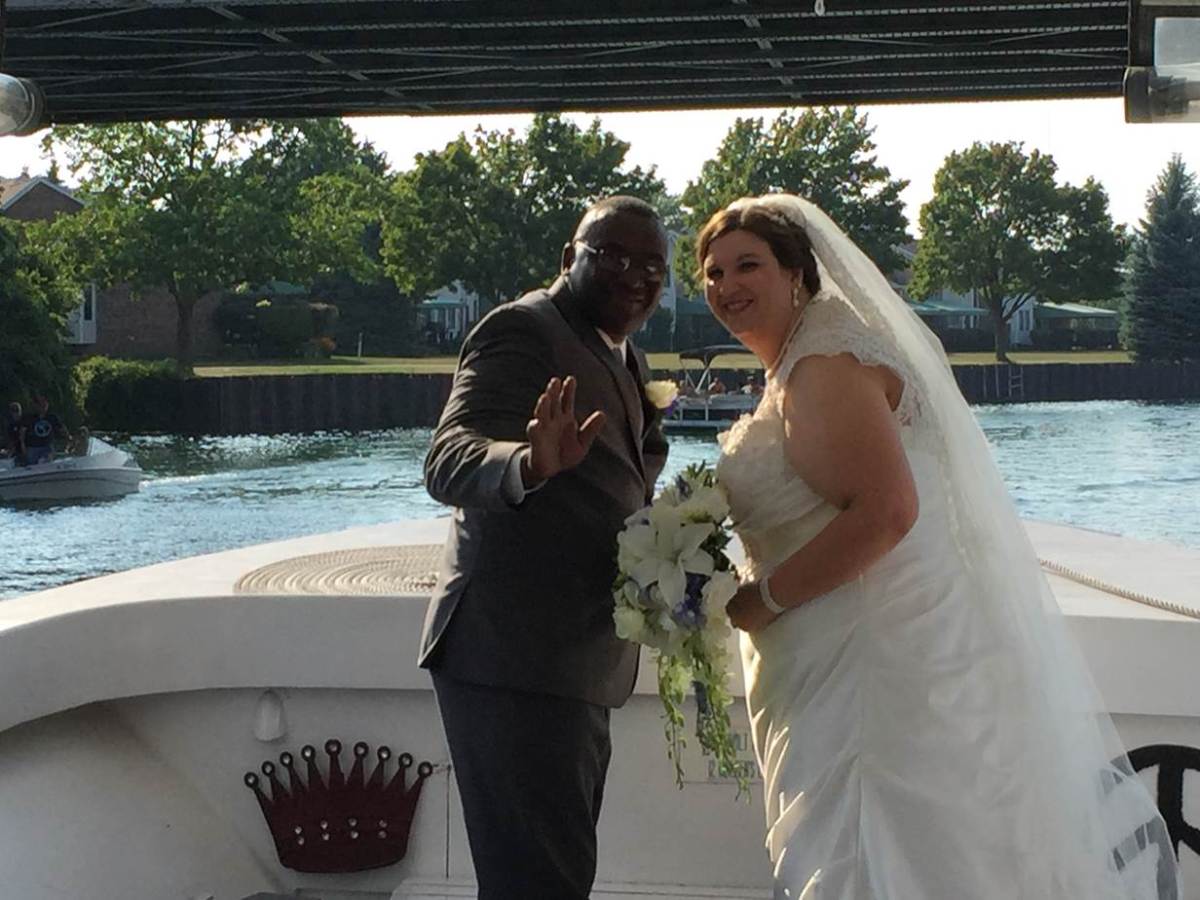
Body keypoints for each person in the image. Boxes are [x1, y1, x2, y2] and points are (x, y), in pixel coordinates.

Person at [697, 195, 1179, 899]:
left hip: (868, 669)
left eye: (748, 265)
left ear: (797, 273)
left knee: (878, 858)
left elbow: (889, 513)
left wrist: (759, 600)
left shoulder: (824, 366)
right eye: (711, 273)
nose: (725, 286)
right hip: (848, 658)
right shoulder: (805, 361)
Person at [420, 196, 670, 899]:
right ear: (570, 257)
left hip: (574, 656)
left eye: (653, 264)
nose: (635, 275)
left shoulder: (619, 348)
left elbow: (627, 468)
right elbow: (450, 456)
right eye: (612, 255)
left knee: (551, 875)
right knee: (537, 882)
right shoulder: (523, 331)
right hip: (514, 656)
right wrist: (527, 463)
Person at [20, 394, 70, 465]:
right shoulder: (29, 418)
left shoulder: (52, 417)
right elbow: (22, 433)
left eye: (45, 403)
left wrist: (68, 439)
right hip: (33, 447)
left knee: (45, 463)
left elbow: (62, 429)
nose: (43, 406)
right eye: (40, 404)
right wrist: (23, 446)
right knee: (32, 466)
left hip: (47, 447)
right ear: (35, 405)